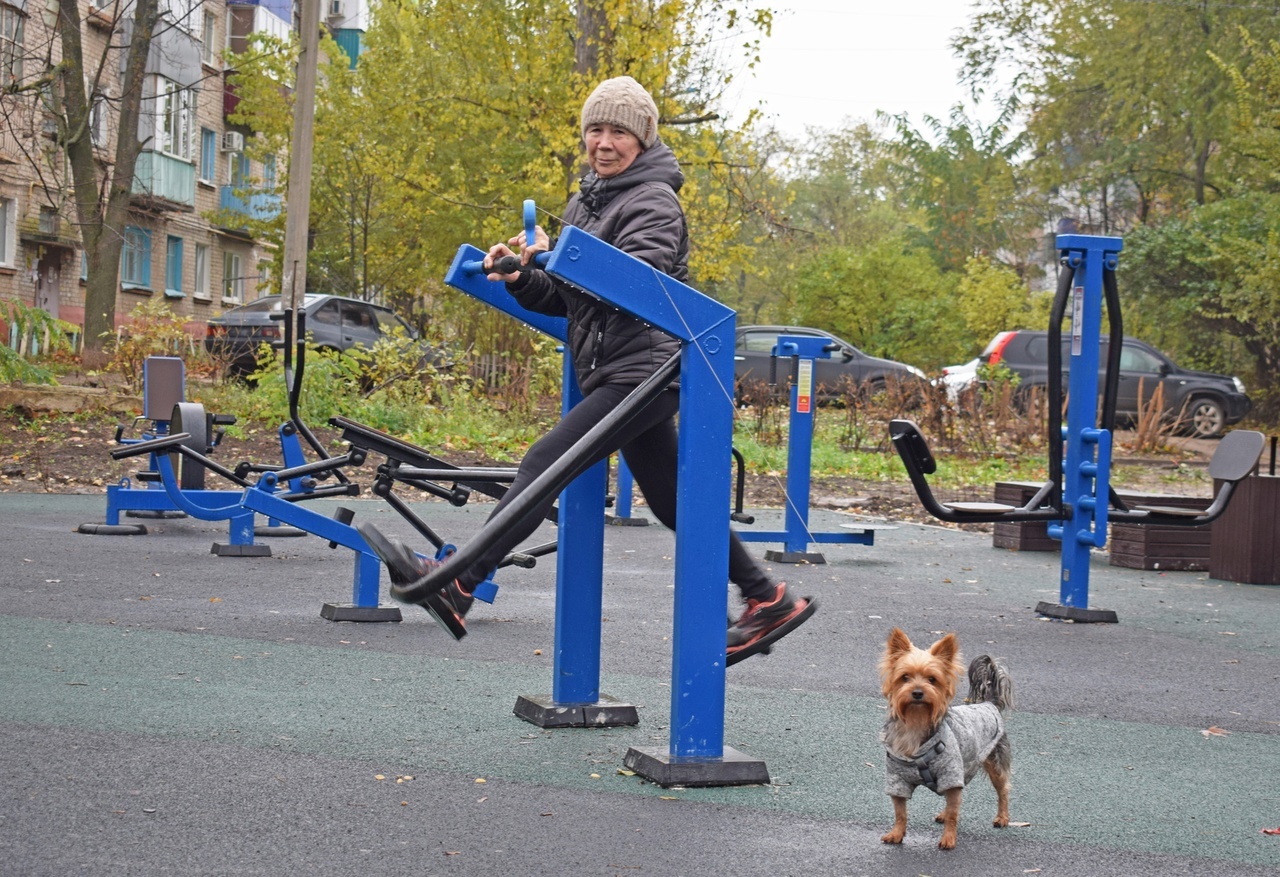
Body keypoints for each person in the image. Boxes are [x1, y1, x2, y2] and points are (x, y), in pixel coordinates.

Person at [357, 76, 814, 662]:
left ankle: (461, 580)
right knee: (675, 501)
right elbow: (566, 298)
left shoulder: (654, 201)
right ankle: (767, 596)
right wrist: (525, 275)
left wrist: (558, 257)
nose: (604, 142)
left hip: (646, 370)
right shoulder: (589, 200)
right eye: (595, 129)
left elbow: (635, 284)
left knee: (545, 462)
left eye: (618, 131)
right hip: (617, 369)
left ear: (642, 139)